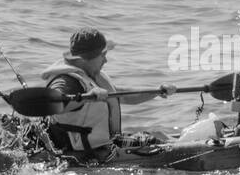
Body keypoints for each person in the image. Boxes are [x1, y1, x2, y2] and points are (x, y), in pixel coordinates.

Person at [39, 28, 175, 156]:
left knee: (159, 135)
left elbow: (123, 96)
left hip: (107, 141)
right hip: (88, 151)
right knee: (155, 142)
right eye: (102, 55)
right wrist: (88, 98)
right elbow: (53, 104)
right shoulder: (67, 81)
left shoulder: (91, 75)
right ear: (86, 58)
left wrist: (157, 91)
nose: (106, 60)